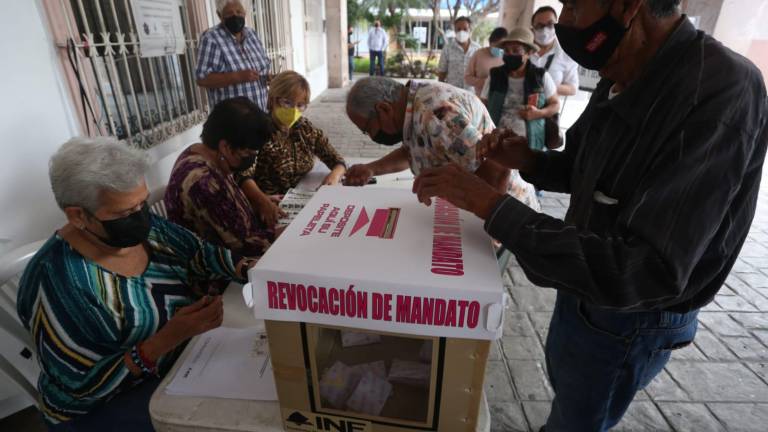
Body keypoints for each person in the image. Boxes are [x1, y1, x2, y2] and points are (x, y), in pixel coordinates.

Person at [412, 1, 768, 431]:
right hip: (583, 283)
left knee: (577, 421)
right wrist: (529, 159)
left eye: (575, 5)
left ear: (627, 6)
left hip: (630, 316)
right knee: (568, 387)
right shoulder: (623, 69)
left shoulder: (719, 88)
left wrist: (491, 205)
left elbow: (645, 269)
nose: (563, 25)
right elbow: (583, 169)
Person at [17, 138, 254, 431]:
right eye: (124, 213)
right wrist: (164, 340)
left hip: (180, 363)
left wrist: (248, 270)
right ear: (78, 215)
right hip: (101, 408)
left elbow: (198, 253)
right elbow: (80, 387)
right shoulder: (59, 282)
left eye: (142, 204)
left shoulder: (145, 231)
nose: (141, 218)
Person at [343, 76, 538, 211]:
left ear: (384, 109)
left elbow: (494, 175)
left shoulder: (437, 117)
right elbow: (413, 149)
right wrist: (371, 169)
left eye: (368, 128)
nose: (370, 136)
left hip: (511, 211)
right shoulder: (413, 102)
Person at [165, 97, 273, 257]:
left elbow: (229, 206)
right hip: (218, 271)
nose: (252, 158)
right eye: (249, 153)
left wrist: (259, 202)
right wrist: (283, 231)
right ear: (225, 146)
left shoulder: (203, 153)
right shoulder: (203, 181)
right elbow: (243, 247)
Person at [237, 71, 347, 227]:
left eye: (300, 105)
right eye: (287, 103)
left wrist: (334, 176)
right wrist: (262, 201)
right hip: (268, 208)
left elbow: (336, 160)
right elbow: (242, 176)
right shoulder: (258, 130)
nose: (294, 110)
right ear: (272, 100)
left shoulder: (304, 128)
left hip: (301, 202)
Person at [481, 28, 560, 152]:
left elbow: (555, 104)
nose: (510, 54)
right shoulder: (495, 75)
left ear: (528, 53)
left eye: (516, 50)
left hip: (531, 143)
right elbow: (482, 104)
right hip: (497, 141)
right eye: (506, 50)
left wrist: (539, 113)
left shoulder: (541, 76)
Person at [196, 0, 271, 110]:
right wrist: (237, 76)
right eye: (229, 13)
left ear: (245, 13)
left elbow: (262, 67)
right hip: (232, 120)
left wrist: (268, 77)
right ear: (220, 15)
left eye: (239, 12)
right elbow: (202, 78)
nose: (235, 16)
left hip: (260, 115)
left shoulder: (252, 35)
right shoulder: (211, 38)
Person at [529, 6, 579, 96]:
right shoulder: (522, 50)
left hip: (548, 107)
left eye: (550, 24)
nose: (545, 30)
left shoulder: (566, 53)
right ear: (532, 29)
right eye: (540, 26)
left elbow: (573, 89)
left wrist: (547, 84)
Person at [437, 16, 480, 91]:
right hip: (452, 92)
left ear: (470, 30)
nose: (461, 32)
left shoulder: (477, 49)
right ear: (455, 30)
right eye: (458, 29)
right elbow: (442, 73)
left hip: (472, 93)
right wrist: (440, 90)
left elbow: (481, 72)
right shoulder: (447, 48)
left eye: (465, 29)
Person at [465, 27, 508, 97]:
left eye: (503, 47)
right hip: (481, 99)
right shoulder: (478, 54)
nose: (500, 49)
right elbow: (467, 78)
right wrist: (486, 82)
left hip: (502, 99)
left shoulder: (507, 57)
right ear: (490, 42)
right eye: (497, 46)